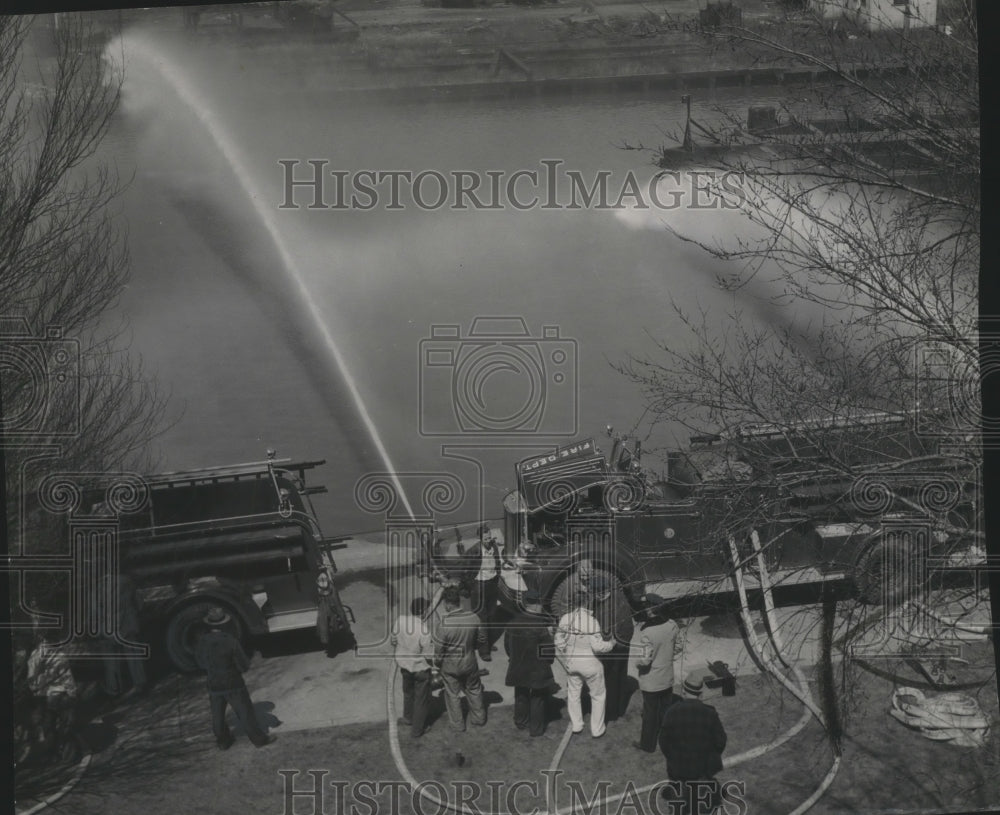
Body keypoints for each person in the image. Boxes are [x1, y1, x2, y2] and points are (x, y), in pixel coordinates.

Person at [194, 607, 276, 749]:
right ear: (224, 624)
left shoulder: (203, 642)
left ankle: (223, 741)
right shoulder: (230, 641)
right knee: (245, 712)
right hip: (233, 682)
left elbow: (200, 662)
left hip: (213, 683)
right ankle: (259, 739)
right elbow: (243, 664)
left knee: (217, 714)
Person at [659, 673, 727, 813]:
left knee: (679, 808)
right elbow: (720, 741)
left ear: (683, 691)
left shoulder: (671, 712)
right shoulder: (710, 713)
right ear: (700, 694)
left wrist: (673, 757)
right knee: (702, 808)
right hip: (702, 770)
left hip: (679, 771)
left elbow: (663, 742)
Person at [555, 597, 614, 737]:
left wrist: (566, 654)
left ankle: (576, 724)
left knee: (573, 694)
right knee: (598, 696)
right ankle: (597, 729)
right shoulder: (592, 622)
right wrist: (611, 644)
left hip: (572, 663)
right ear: (588, 604)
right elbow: (598, 647)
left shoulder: (565, 618)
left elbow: (559, 640)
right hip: (590, 665)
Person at [433, 585, 487, 731]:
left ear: (446, 603)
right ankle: (479, 718)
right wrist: (472, 647)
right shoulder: (473, 617)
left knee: (452, 694)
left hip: (450, 666)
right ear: (459, 601)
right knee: (474, 689)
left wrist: (437, 663)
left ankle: (458, 725)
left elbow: (438, 650)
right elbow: (482, 639)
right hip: (470, 662)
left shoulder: (444, 624)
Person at [633, 596, 682, 752]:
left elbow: (644, 660)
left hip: (651, 681)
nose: (646, 610)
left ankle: (647, 745)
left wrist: (637, 663)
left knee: (650, 715)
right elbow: (679, 646)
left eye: (647, 607)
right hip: (667, 677)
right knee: (665, 710)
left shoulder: (647, 632)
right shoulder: (672, 625)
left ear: (652, 609)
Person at [504, 589, 556, 737]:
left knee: (521, 695)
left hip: (518, 667)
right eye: (540, 604)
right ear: (535, 605)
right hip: (537, 670)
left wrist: (514, 658)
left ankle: (521, 722)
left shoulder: (512, 623)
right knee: (538, 699)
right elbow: (549, 652)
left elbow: (508, 647)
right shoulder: (540, 626)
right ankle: (536, 729)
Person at [593, 574, 634, 723]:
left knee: (609, 681)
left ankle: (610, 713)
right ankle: (619, 709)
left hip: (613, 648)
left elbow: (604, 631)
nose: (595, 597)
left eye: (596, 594)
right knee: (620, 678)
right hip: (622, 645)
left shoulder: (608, 606)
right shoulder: (619, 597)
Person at [391, 597, 433, 738]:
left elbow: (393, 639)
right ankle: (417, 730)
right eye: (426, 609)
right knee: (421, 700)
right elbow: (428, 655)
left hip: (404, 666)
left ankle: (408, 718)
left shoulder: (400, 620)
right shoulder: (424, 631)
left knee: (408, 692)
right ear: (421, 611)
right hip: (419, 669)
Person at [467, 525, 504, 661]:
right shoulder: (474, 551)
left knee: (491, 616)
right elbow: (466, 569)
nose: (488, 541)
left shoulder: (493, 546)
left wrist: (498, 574)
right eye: (486, 539)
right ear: (480, 538)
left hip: (492, 584)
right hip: (479, 586)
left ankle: (487, 643)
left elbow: (498, 561)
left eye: (489, 537)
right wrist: (471, 585)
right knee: (482, 620)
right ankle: (483, 651)